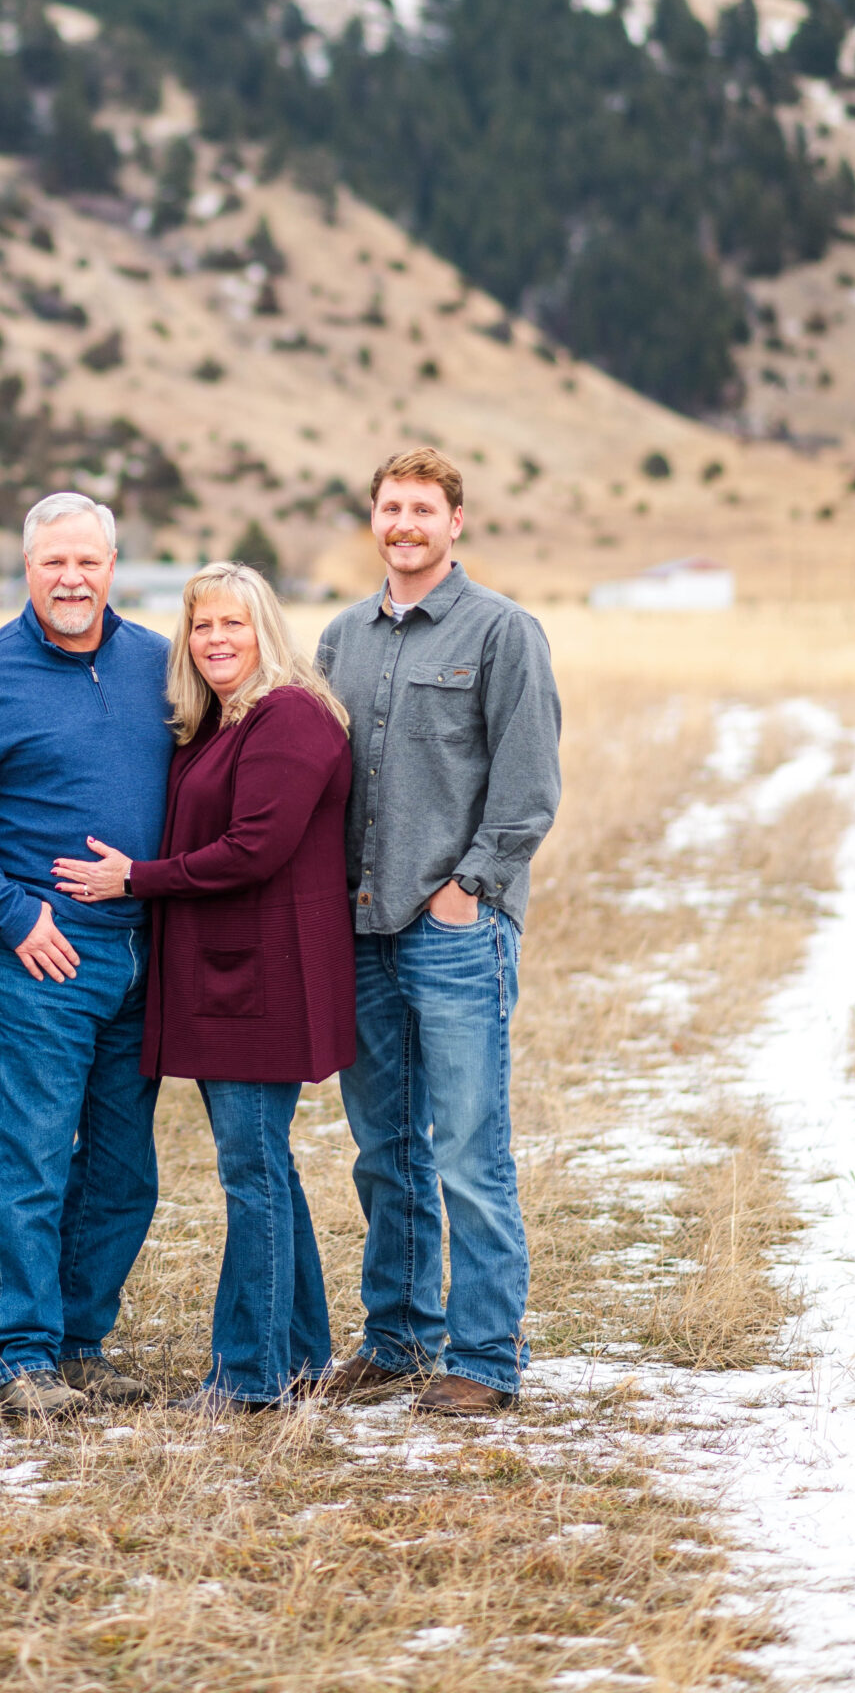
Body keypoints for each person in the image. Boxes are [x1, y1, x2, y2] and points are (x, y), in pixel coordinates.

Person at [54, 561, 356, 1410]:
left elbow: (255, 848)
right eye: (201, 626)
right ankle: (298, 1356)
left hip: (264, 978)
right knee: (268, 1168)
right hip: (231, 974)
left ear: (265, 628)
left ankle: (249, 1376)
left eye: (233, 623)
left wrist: (136, 880)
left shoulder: (289, 717)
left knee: (250, 1173)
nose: (215, 639)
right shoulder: (223, 721)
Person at [0, 491, 174, 1422]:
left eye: (88, 562)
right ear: (28, 570)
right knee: (26, 1159)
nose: (71, 579)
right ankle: (20, 1353)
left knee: (122, 1168)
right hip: (40, 961)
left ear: (112, 568)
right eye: (53, 562)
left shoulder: (155, 664)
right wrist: (12, 913)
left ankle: (79, 1341)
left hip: (143, 952)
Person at [314, 448, 561, 1417]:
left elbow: (529, 782)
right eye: (389, 506)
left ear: (454, 521)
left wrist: (470, 888)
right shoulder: (341, 637)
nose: (404, 521)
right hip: (360, 929)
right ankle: (398, 1338)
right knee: (383, 1147)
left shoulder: (501, 631)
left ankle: (486, 1357)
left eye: (422, 507)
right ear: (372, 520)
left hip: (454, 929)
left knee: (468, 1146)